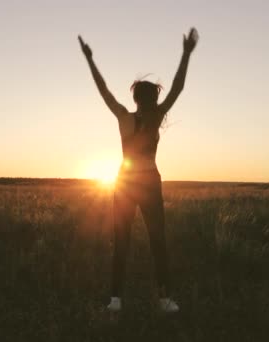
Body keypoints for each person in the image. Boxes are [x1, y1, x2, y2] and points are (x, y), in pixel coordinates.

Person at [78, 28, 198, 313]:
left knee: (123, 240)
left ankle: (116, 300)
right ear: (153, 99)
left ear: (136, 99)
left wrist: (90, 59)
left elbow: (103, 90)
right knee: (158, 240)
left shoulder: (124, 116)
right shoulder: (155, 118)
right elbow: (178, 88)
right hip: (147, 182)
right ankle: (164, 299)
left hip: (124, 182)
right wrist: (186, 53)